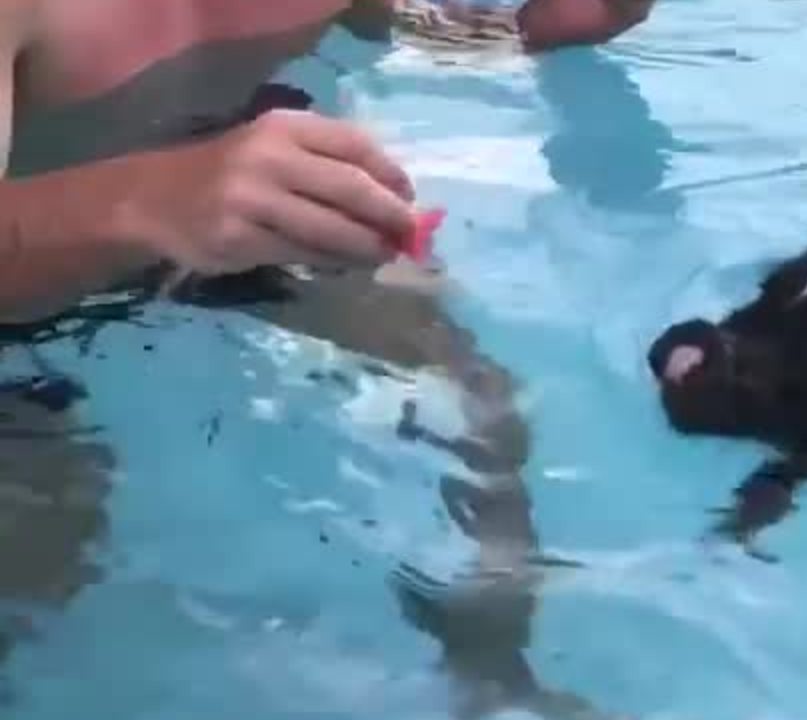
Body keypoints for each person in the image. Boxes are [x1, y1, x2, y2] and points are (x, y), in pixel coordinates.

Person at [0, 1, 652, 717]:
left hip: (216, 194)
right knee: (47, 541)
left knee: (473, 410)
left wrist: (548, 28)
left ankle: (492, 684)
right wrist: (148, 199)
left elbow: (402, 28)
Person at [0, 0, 655, 322]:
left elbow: (392, 26)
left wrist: (531, 35)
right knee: (65, 540)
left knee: (483, 428)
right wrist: (148, 202)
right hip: (29, 308)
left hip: (221, 208)